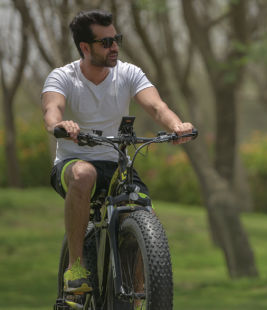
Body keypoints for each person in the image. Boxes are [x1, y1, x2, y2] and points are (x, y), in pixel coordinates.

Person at [41, 9, 194, 294]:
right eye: (106, 42)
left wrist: (177, 125)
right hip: (73, 165)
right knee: (84, 174)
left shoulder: (128, 73)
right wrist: (60, 125)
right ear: (85, 47)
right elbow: (52, 111)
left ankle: (139, 295)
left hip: (116, 164)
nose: (115, 47)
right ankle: (76, 269)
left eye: (116, 39)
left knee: (141, 213)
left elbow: (157, 107)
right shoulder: (63, 77)